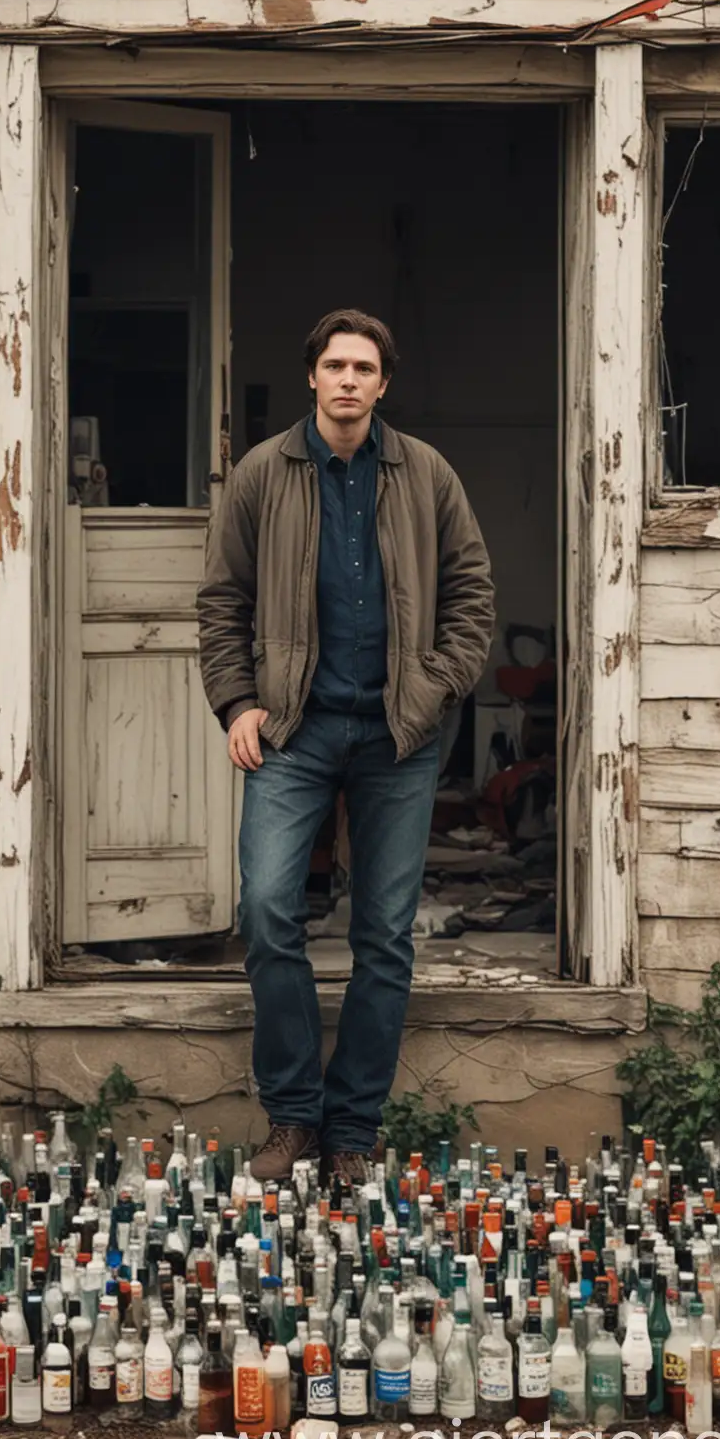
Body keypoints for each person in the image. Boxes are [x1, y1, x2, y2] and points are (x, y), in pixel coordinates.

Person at [197, 309, 495, 1185]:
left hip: (398, 734)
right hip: (294, 727)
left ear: (383, 383)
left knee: (384, 934)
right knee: (267, 911)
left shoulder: (426, 475)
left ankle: (352, 1132)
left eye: (364, 367)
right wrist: (237, 703)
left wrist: (436, 686)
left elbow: (472, 595)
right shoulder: (263, 474)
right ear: (313, 377)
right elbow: (221, 602)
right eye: (335, 365)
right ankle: (293, 1118)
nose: (349, 380)